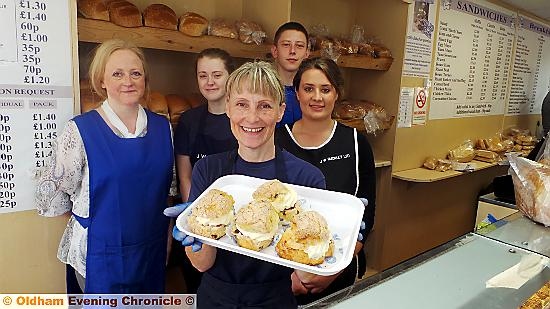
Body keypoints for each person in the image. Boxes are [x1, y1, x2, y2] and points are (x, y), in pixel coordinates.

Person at [168, 61, 327, 308]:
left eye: (264, 106)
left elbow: (308, 276)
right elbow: (201, 264)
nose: (252, 117)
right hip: (215, 298)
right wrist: (198, 228)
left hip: (275, 300)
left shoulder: (307, 178)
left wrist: (334, 234)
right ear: (229, 108)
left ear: (280, 111)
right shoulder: (209, 169)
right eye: (242, 104)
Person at [35, 39, 175, 293]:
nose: (128, 81)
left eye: (135, 73)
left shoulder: (164, 128)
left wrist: (166, 239)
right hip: (99, 255)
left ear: (145, 78)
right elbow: (54, 196)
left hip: (151, 250)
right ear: (101, 80)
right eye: (117, 74)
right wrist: (91, 221)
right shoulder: (80, 130)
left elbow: (167, 193)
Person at [276, 57, 376, 304]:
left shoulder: (356, 143)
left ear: (337, 94)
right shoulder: (276, 141)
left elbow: (367, 214)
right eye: (308, 89)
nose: (316, 97)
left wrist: (333, 269)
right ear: (296, 93)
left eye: (325, 89)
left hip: (339, 272)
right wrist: (291, 275)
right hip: (283, 275)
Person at [172, 48, 238, 293]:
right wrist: (196, 217)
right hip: (198, 221)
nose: (210, 82)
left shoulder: (243, 121)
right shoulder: (189, 121)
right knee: (198, 287)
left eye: (217, 75)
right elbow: (185, 174)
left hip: (235, 222)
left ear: (230, 77)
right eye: (203, 76)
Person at [271, 22, 310, 126]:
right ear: (275, 51)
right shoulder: (261, 87)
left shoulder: (311, 92)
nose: (292, 51)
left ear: (307, 53)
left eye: (299, 46)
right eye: (286, 45)